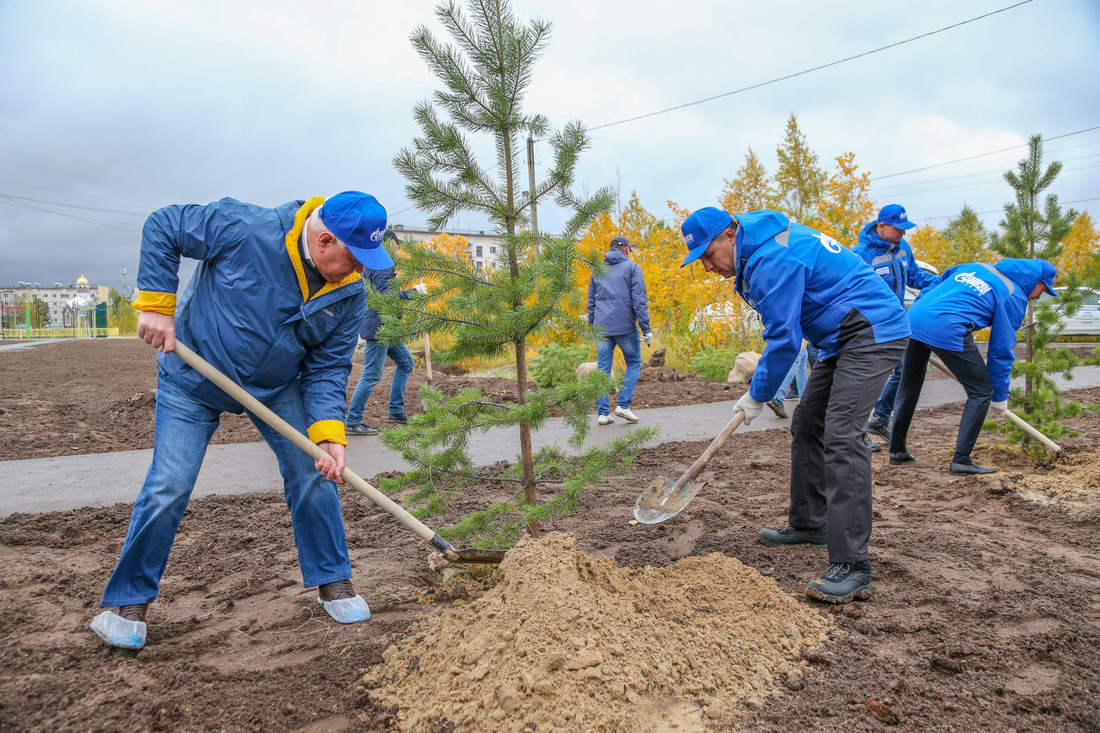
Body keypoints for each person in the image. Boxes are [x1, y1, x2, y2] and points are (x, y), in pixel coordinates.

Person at [90, 192, 390, 650]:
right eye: (354, 258)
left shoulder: (348, 294)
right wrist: (155, 304)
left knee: (314, 472)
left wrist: (329, 434)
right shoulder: (247, 229)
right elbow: (165, 224)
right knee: (170, 483)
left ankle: (333, 580)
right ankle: (127, 603)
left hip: (275, 387)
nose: (360, 271)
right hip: (193, 375)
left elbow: (328, 368)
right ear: (325, 240)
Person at [680, 207, 909, 604]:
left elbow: (784, 339)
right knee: (807, 423)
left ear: (730, 236)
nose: (708, 267)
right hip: (840, 338)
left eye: (708, 255)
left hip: (872, 330)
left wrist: (757, 394)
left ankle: (854, 565)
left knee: (842, 435)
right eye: (699, 260)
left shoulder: (771, 257)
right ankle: (810, 523)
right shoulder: (759, 250)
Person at [889, 258, 1057, 475]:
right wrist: (998, 395)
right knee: (981, 391)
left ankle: (897, 450)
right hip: (947, 326)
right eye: (1041, 290)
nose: (1036, 297)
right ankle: (961, 460)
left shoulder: (975, 267)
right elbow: (1001, 350)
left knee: (909, 384)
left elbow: (933, 287)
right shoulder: (1013, 295)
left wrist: (920, 315)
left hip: (914, 318)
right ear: (1035, 280)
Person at [852, 204, 937, 443]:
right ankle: (856, 431)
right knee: (867, 377)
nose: (903, 233)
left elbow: (915, 276)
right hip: (869, 326)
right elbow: (853, 293)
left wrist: (942, 282)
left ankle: (879, 418)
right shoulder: (861, 254)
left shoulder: (902, 249)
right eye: (898, 228)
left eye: (905, 228)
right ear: (881, 226)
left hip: (896, 324)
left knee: (903, 370)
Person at [345, 230, 426, 435]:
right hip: (380, 327)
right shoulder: (382, 265)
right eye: (397, 244)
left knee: (407, 362)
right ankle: (353, 420)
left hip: (385, 326)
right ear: (391, 244)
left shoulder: (375, 263)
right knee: (371, 373)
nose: (399, 249)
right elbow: (387, 298)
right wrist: (414, 293)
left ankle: (396, 411)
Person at [588, 235, 652, 424]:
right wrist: (646, 329)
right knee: (633, 362)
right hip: (624, 326)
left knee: (603, 369)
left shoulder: (597, 270)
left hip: (602, 327)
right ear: (626, 249)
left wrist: (593, 326)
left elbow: (591, 301)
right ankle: (623, 406)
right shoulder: (632, 268)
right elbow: (639, 300)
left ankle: (602, 413)